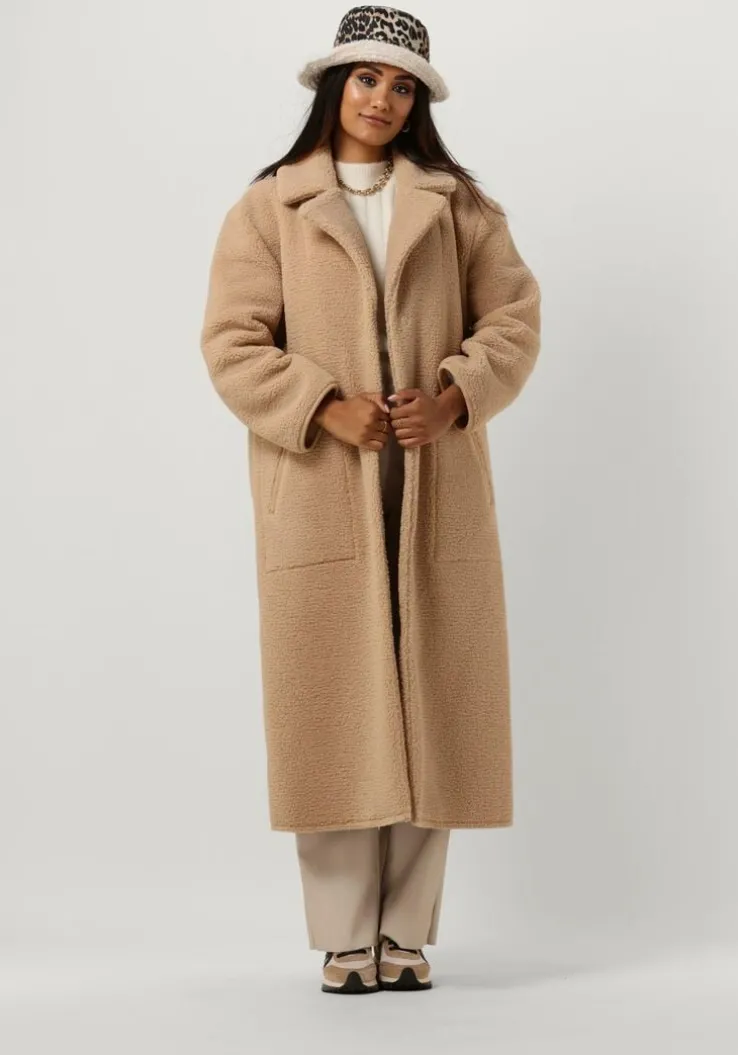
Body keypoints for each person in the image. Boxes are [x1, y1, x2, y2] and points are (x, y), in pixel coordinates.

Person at [200, 5, 542, 995]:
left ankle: (408, 931)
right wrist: (321, 405)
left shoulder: (459, 207)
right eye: (366, 78)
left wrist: (456, 396)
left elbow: (515, 318)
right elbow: (231, 342)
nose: (383, 99)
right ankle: (346, 934)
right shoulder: (270, 207)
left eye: (402, 86)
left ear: (418, 102)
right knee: (334, 698)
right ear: (333, 85)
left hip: (437, 482)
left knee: (434, 693)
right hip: (320, 486)